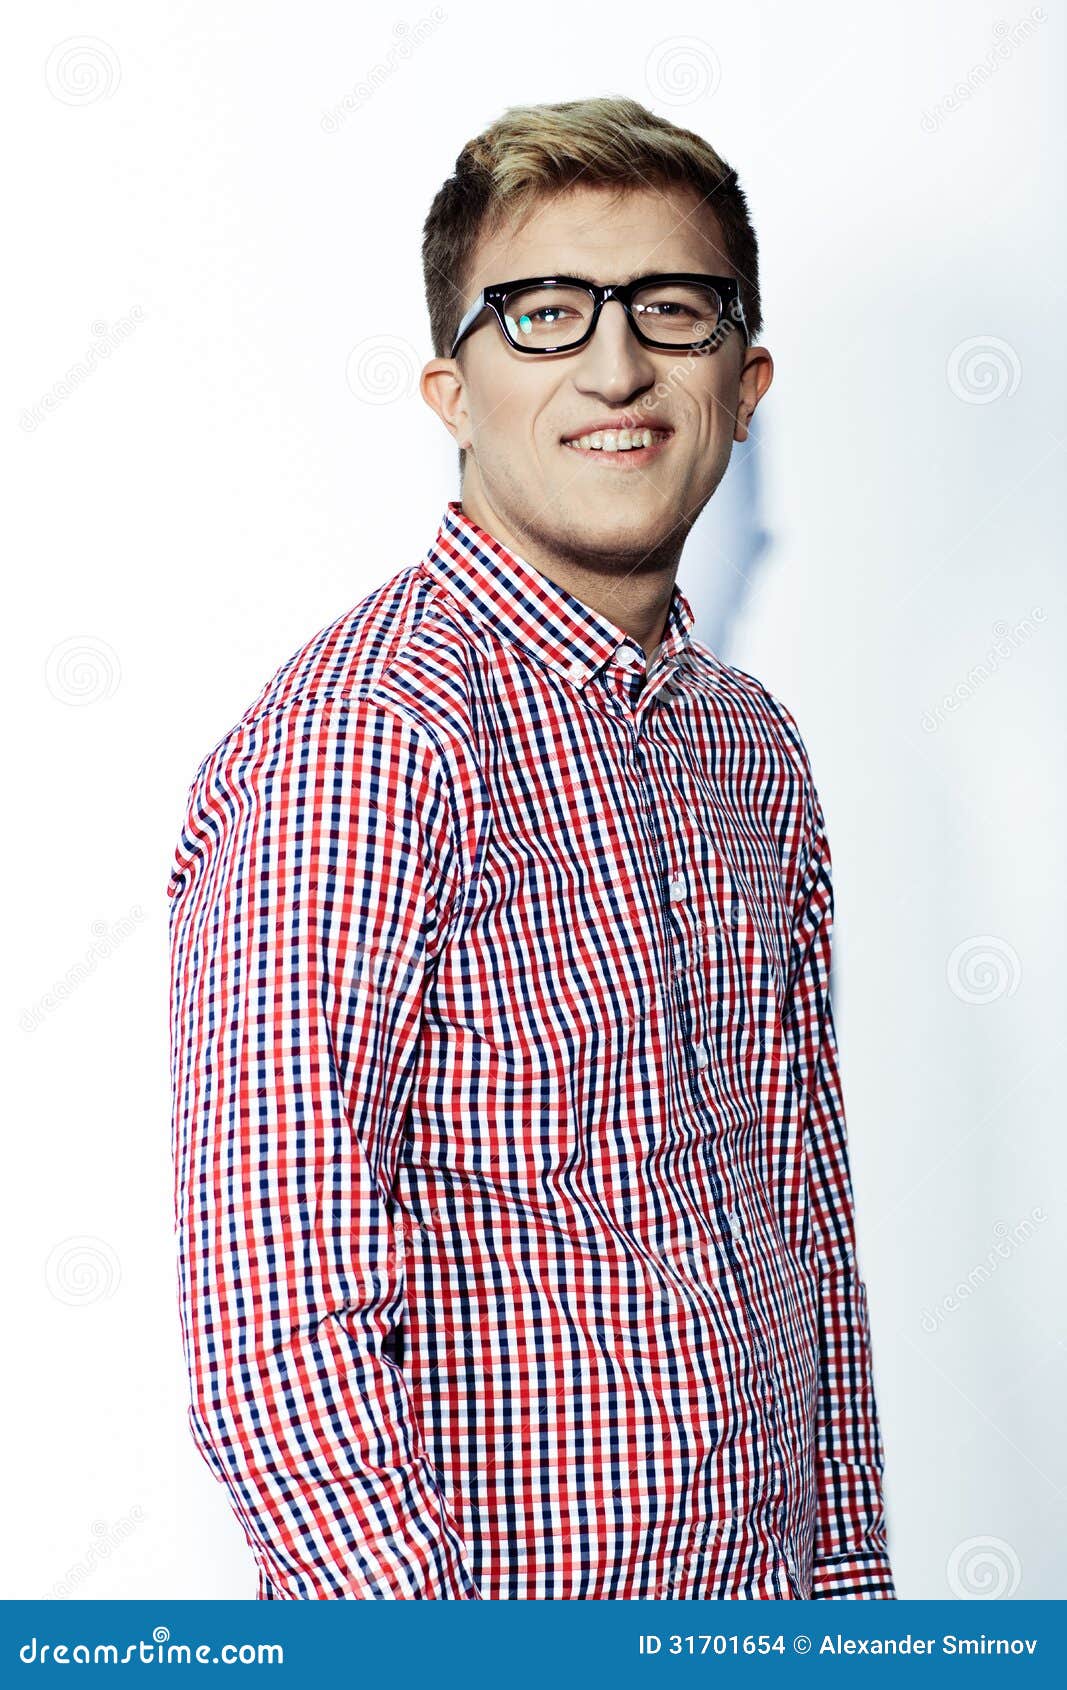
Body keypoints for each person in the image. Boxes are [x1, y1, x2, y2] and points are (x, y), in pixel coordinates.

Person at [166, 94, 895, 1600]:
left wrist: (846, 1623)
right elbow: (272, 1337)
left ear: (745, 383)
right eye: (546, 315)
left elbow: (806, 1235)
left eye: (672, 310)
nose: (617, 366)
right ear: (452, 389)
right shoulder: (368, 743)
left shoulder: (751, 752)